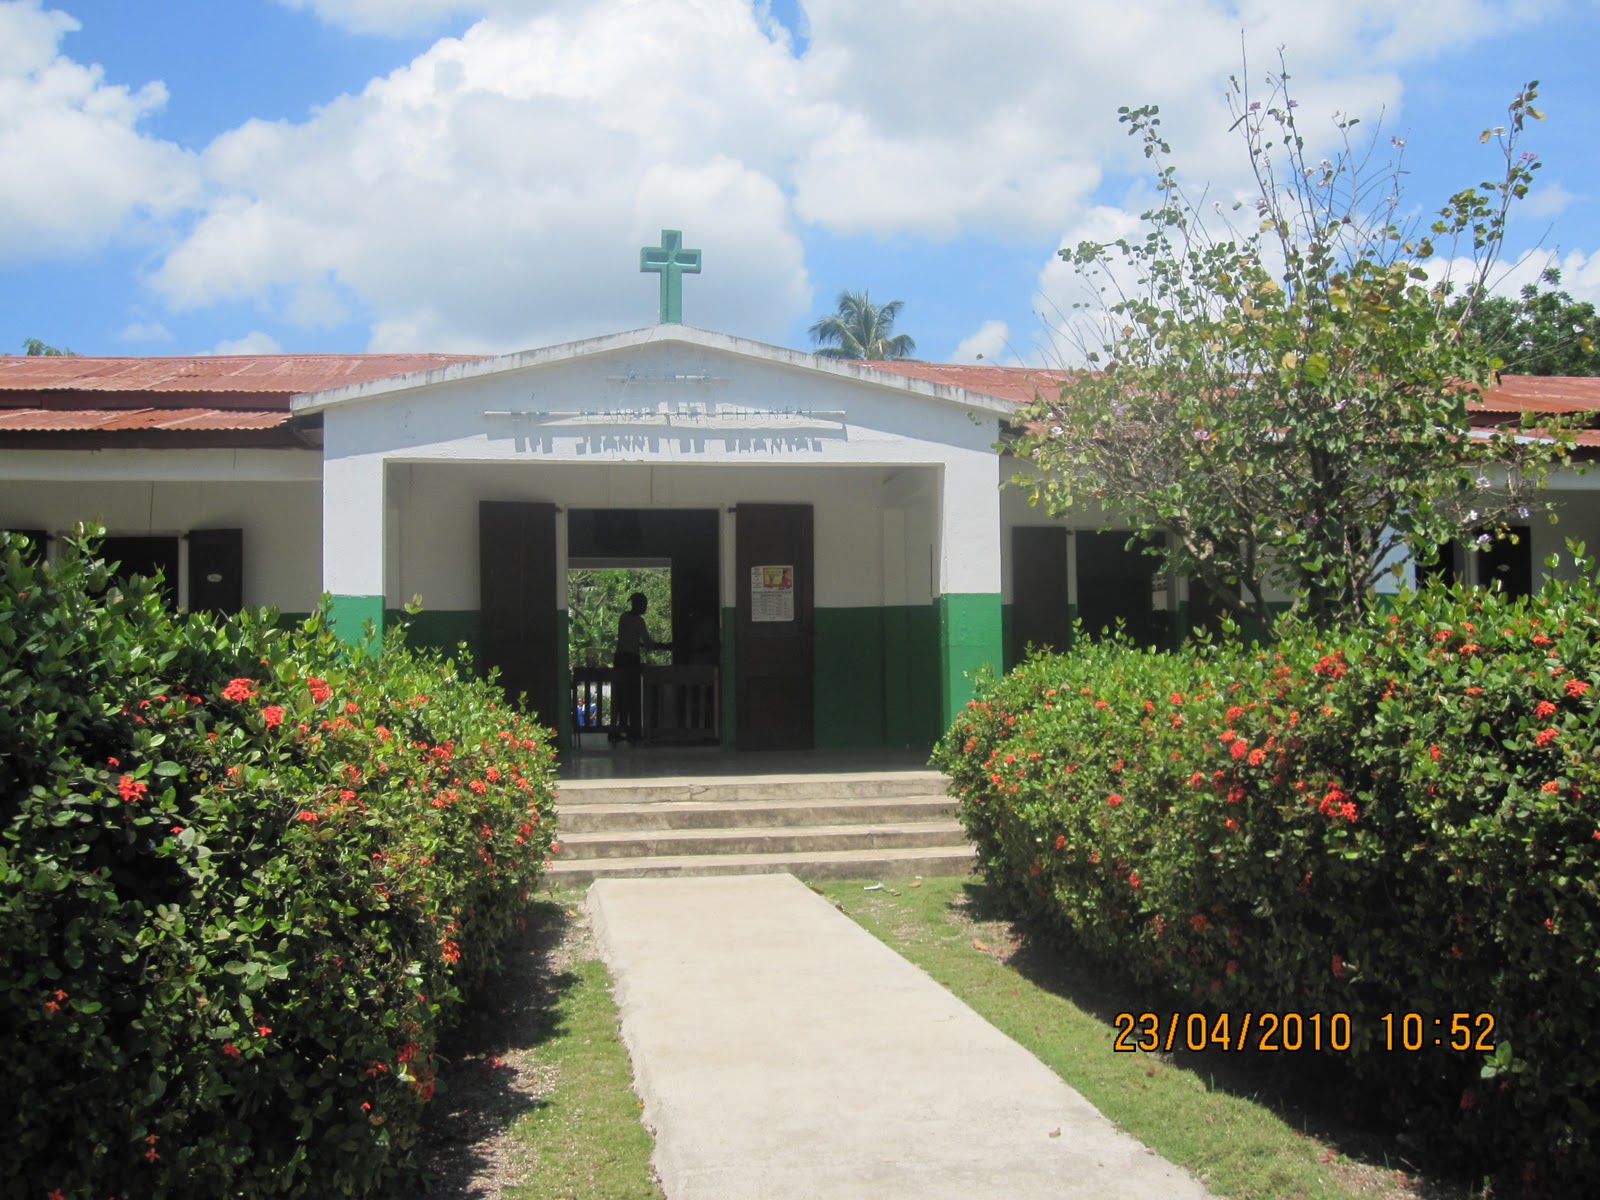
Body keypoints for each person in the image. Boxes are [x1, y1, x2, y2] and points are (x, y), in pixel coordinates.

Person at [611, 592, 669, 745]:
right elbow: (648, 643)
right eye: (644, 604)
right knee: (633, 696)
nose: (646, 607)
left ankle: (614, 730)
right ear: (638, 605)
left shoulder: (623, 617)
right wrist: (664, 646)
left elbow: (629, 639)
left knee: (619, 694)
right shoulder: (639, 621)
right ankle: (634, 732)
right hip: (631, 660)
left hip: (619, 659)